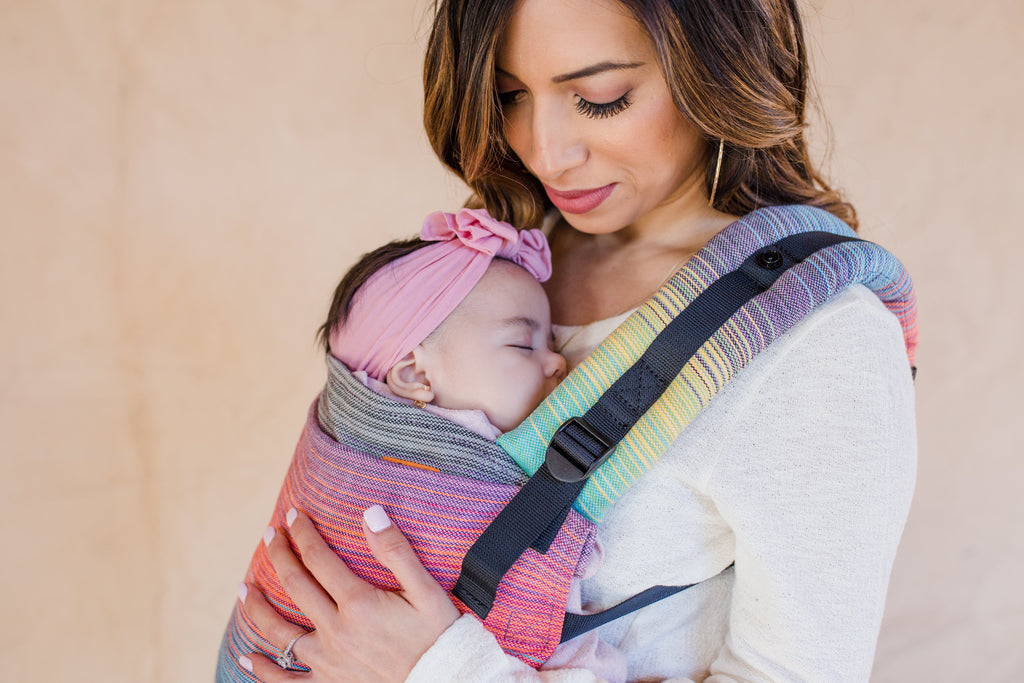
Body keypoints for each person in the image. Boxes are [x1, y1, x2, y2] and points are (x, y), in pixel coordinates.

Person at [235, 0, 917, 680]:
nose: (545, 153)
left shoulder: (822, 344)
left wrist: (436, 670)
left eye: (600, 97)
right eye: (510, 96)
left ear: (715, 66)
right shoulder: (494, 265)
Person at [218, 207, 629, 681]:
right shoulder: (364, 449)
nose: (558, 363)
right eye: (523, 344)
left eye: (551, 344)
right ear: (415, 375)